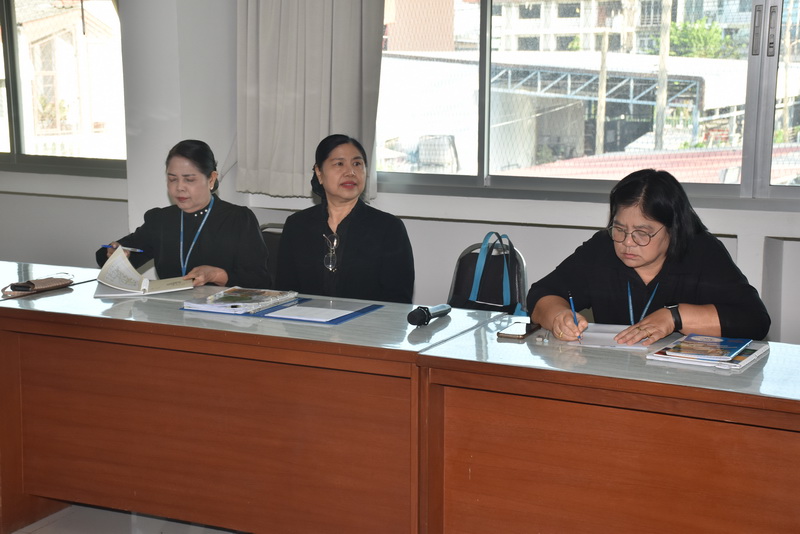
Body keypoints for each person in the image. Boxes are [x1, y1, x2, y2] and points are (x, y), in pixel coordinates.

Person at [527, 169, 770, 345]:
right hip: (615, 373)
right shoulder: (602, 248)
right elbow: (541, 293)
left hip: (682, 381)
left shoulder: (702, 252)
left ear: (672, 229)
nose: (627, 242)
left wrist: (675, 316)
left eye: (642, 233)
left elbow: (754, 320)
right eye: (619, 229)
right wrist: (558, 317)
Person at [96, 139, 271, 288]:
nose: (179, 187)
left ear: (211, 179)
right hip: (169, 310)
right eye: (172, 179)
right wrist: (114, 254)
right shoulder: (161, 220)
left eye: (189, 179)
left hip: (222, 313)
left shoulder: (238, 219)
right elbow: (112, 256)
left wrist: (217, 275)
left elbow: (260, 282)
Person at [275, 134, 414, 303]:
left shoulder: (389, 228)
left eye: (357, 164)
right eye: (339, 164)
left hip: (367, 320)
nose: (350, 172)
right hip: (305, 318)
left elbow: (398, 301)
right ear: (319, 173)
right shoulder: (297, 225)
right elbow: (284, 293)